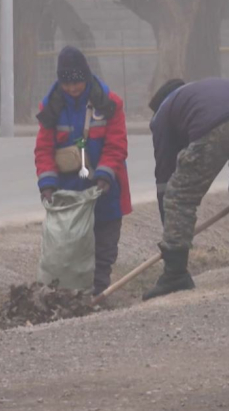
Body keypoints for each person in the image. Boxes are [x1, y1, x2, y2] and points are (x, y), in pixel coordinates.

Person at [144, 77, 229, 301]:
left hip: (218, 124)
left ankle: (175, 275)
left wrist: (169, 219)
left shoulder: (163, 114)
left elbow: (165, 174)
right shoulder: (200, 93)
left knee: (180, 195)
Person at [35, 46, 133, 295]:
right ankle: (69, 294)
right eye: (67, 84)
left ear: (86, 77)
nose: (72, 89)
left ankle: (98, 293)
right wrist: (47, 184)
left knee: (104, 247)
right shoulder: (51, 107)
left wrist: (104, 175)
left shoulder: (110, 104)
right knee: (68, 249)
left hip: (106, 192)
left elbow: (117, 145)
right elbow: (44, 149)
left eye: (77, 83)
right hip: (70, 198)